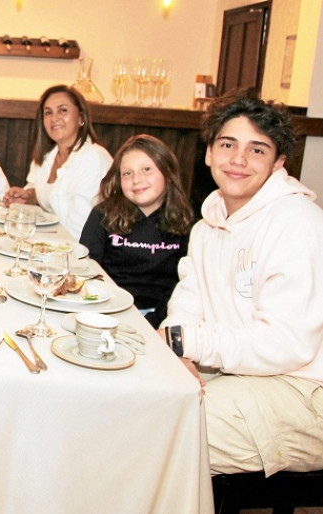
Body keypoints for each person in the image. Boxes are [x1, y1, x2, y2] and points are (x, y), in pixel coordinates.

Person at [160, 89, 323, 476]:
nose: (238, 159)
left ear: (278, 163)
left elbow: (287, 345)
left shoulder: (298, 222)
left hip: (304, 391)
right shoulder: (206, 226)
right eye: (228, 144)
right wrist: (178, 342)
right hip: (238, 373)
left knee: (157, 433)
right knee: (136, 401)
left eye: (257, 150)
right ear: (209, 153)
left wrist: (190, 342)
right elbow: (188, 298)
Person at [80, 135, 194, 327]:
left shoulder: (187, 224)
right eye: (127, 173)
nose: (137, 180)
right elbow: (86, 270)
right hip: (106, 311)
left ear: (167, 172)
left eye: (147, 169)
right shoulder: (103, 215)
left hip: (162, 318)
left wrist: (152, 322)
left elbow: (183, 287)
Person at [5, 85, 113, 240]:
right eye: (48, 113)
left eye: (63, 110)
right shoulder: (46, 157)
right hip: (53, 244)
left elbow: (80, 230)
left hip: (80, 253)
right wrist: (28, 197)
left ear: (81, 118)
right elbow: (45, 194)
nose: (54, 118)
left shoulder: (92, 157)